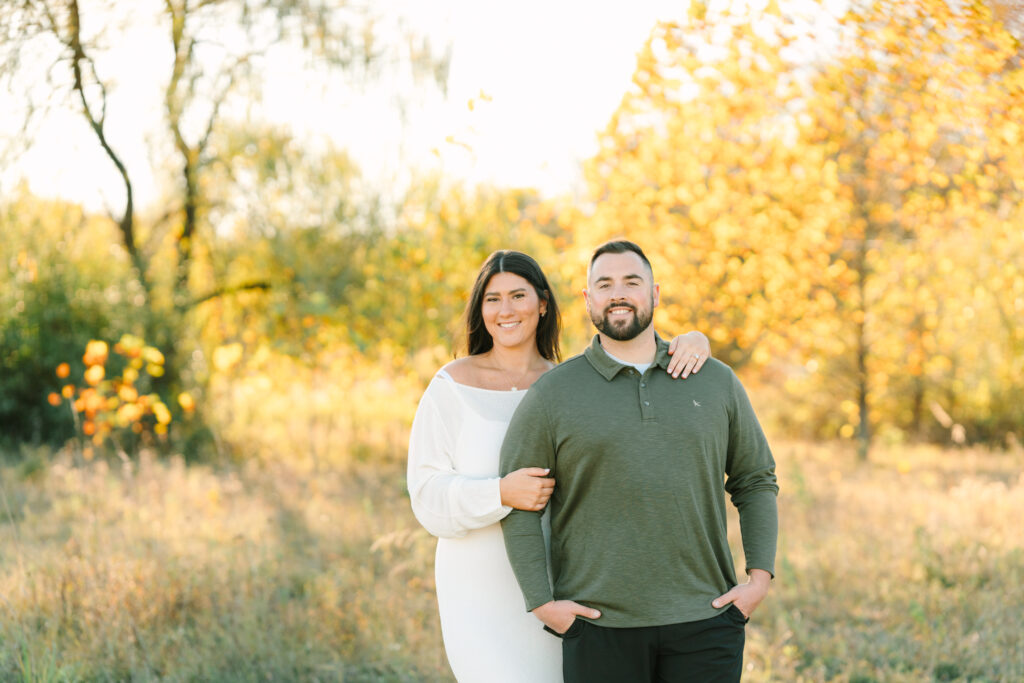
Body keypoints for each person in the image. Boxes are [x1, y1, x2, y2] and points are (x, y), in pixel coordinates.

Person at [407, 249, 712, 682]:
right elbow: (425, 495)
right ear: (480, 309)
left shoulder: (569, 383)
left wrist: (694, 340)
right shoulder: (451, 387)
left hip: (564, 584)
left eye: (518, 295)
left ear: (543, 303)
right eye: (492, 299)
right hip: (478, 585)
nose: (505, 310)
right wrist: (499, 493)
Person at [499, 240, 778, 683]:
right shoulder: (554, 394)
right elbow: (519, 502)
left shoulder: (715, 380)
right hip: (597, 627)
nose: (619, 293)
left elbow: (756, 480)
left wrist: (758, 579)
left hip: (706, 621)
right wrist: (542, 603)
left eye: (632, 281)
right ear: (588, 299)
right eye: (604, 284)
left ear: (656, 293)